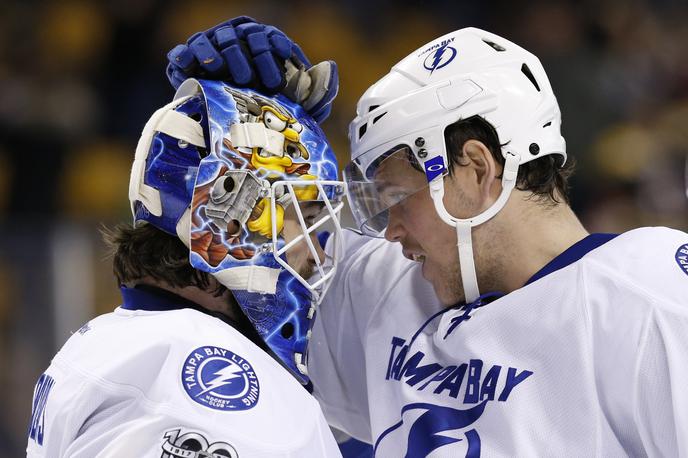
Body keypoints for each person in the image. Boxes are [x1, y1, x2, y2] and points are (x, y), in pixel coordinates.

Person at [168, 19, 688, 456]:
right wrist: (226, 118)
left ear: (478, 170)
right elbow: (214, 245)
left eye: (396, 198)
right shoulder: (390, 287)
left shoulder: (651, 300)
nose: (390, 232)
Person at [26, 77, 347, 457]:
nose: (315, 253)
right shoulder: (206, 375)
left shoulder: (117, 339)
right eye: (304, 219)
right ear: (232, 224)